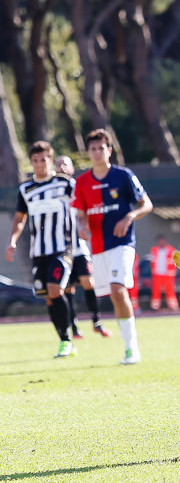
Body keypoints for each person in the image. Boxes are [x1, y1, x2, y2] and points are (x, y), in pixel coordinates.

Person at [72, 129, 153, 365]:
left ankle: (132, 349)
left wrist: (129, 217)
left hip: (122, 243)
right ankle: (128, 346)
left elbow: (146, 204)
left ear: (109, 150)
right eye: (93, 149)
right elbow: (80, 215)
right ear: (88, 153)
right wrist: (81, 227)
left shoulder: (123, 176)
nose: (97, 152)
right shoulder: (82, 182)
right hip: (97, 247)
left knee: (118, 290)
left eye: (101, 148)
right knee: (112, 296)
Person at [5, 142, 77, 358]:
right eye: (35, 161)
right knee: (48, 297)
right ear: (31, 162)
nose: (39, 165)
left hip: (62, 248)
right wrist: (13, 240)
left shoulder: (64, 183)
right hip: (38, 251)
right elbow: (20, 218)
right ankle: (63, 337)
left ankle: (67, 339)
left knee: (55, 289)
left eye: (43, 160)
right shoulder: (25, 189)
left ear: (50, 159)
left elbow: (80, 205)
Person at [55, 155, 109, 339]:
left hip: (80, 249)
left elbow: (87, 212)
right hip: (62, 250)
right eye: (58, 164)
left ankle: (96, 321)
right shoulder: (53, 191)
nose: (62, 166)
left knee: (88, 282)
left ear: (72, 168)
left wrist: (85, 228)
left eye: (65, 163)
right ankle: (74, 326)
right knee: (68, 288)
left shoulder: (80, 188)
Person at [149, 234, 179, 311]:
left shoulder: (171, 250)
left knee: (170, 292)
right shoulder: (154, 250)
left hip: (168, 275)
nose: (161, 243)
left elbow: (175, 263)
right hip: (157, 275)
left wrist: (173, 273)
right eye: (159, 241)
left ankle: (173, 306)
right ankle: (155, 307)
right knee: (156, 292)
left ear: (165, 241)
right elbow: (152, 262)